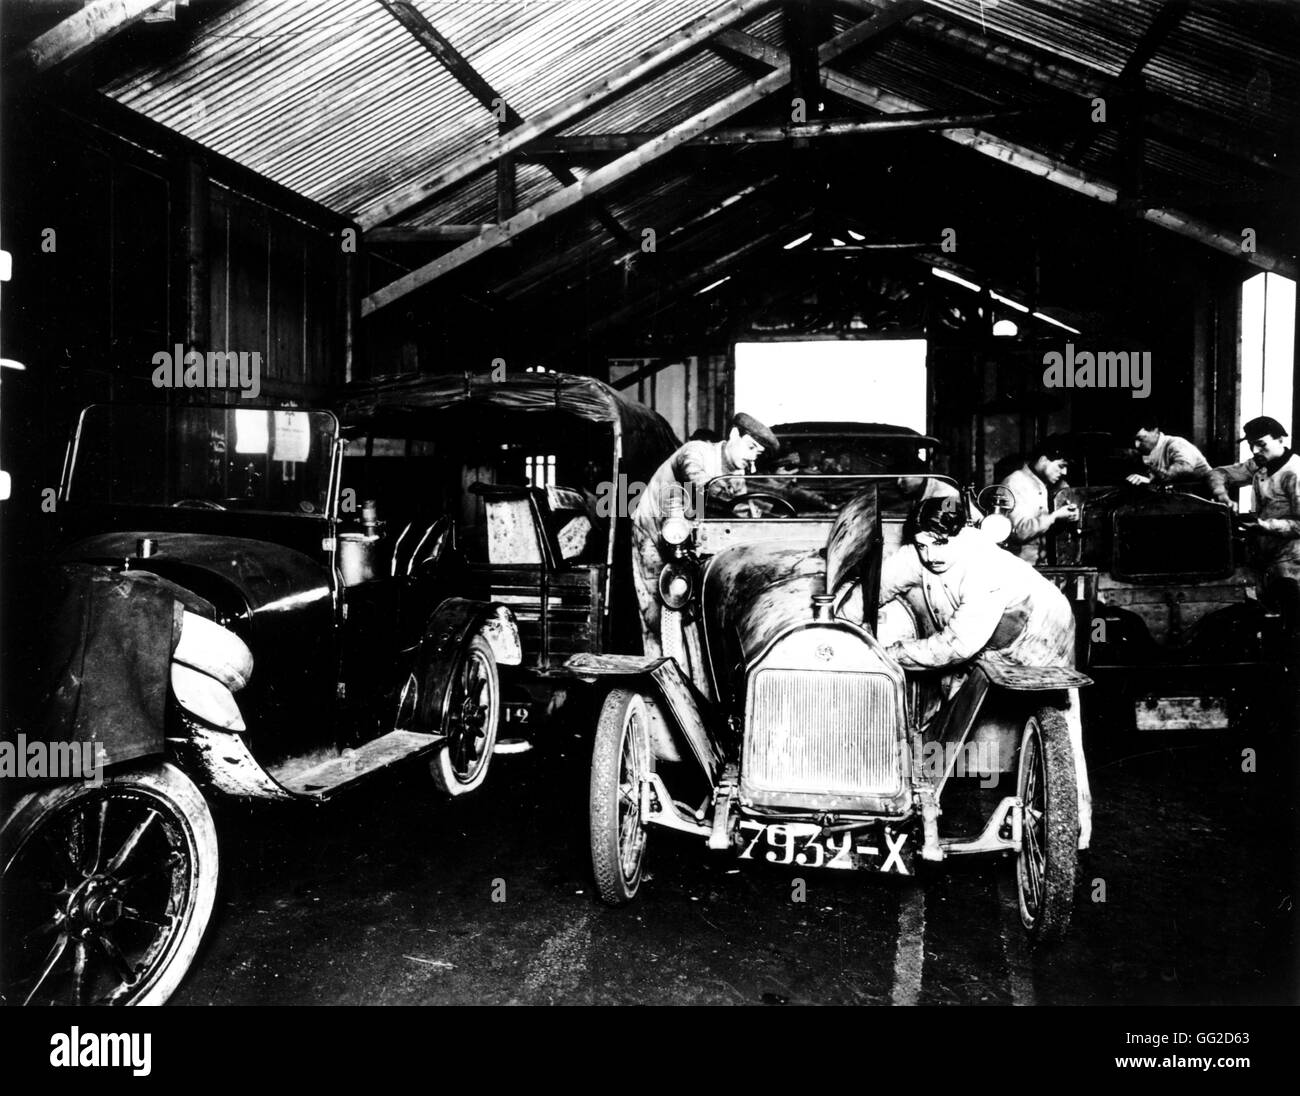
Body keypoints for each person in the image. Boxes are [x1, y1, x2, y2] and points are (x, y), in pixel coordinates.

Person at [878, 495, 1092, 848]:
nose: (931, 554)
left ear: (962, 533)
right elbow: (880, 586)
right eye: (923, 544)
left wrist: (892, 653)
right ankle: (939, 778)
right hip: (987, 632)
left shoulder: (983, 567)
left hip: (1039, 632)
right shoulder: (923, 551)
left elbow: (957, 645)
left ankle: (1072, 830)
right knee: (957, 695)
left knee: (1059, 719)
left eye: (940, 543)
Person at [632, 412, 778, 658]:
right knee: (656, 605)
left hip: (688, 533)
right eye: (750, 446)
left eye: (758, 453)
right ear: (733, 435)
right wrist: (732, 492)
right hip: (655, 532)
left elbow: (738, 513)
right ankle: (658, 673)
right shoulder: (696, 451)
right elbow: (697, 478)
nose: (752, 456)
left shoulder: (737, 474)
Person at [1208, 415, 1300, 721]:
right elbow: (1219, 473)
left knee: (1289, 624)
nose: (1256, 450)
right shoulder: (1258, 465)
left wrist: (1265, 524)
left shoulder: (1294, 473)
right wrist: (1222, 495)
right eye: (1252, 445)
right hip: (1262, 559)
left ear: (1281, 440)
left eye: (1261, 444)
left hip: (1291, 560)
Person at [1000, 440, 1078, 565]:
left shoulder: (1045, 484)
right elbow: (1019, 532)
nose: (1064, 472)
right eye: (1061, 466)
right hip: (1019, 567)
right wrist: (1054, 516)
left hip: (1041, 566)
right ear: (1043, 460)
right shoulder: (1016, 482)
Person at [1126, 418, 1211, 489]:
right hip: (1180, 495)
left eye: (1140, 439)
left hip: (1203, 492)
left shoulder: (1176, 443)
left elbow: (1185, 468)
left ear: (1155, 431)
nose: (1137, 445)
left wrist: (1152, 480)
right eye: (1134, 440)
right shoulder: (1148, 451)